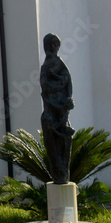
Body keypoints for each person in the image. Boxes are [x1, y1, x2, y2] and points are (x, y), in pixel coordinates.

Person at [40, 33, 75, 184]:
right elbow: (45, 86)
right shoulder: (45, 68)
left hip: (61, 112)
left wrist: (67, 100)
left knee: (64, 142)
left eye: (56, 45)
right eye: (52, 45)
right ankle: (59, 174)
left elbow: (68, 83)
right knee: (53, 147)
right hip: (50, 111)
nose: (54, 48)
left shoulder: (60, 65)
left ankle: (63, 175)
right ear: (47, 46)